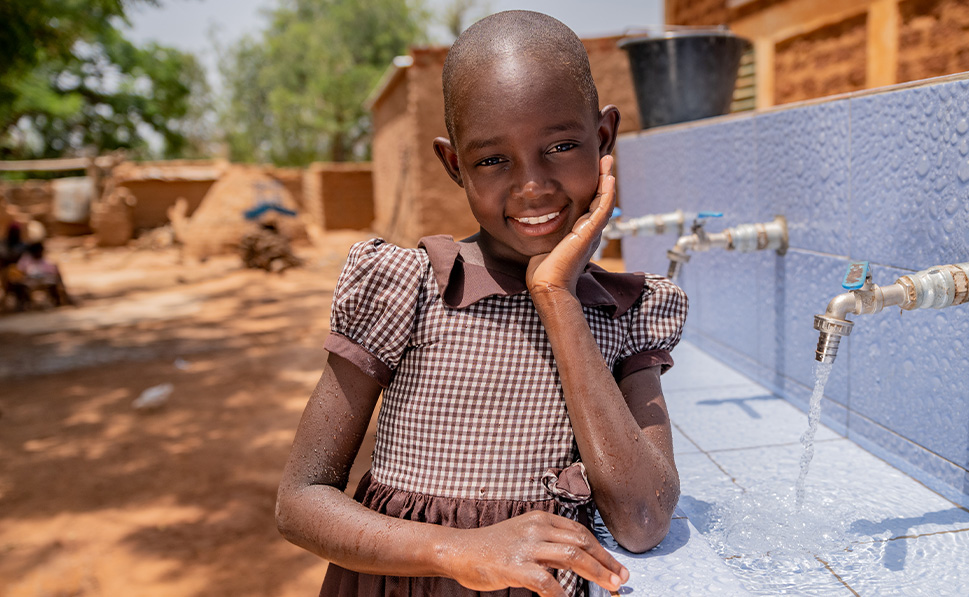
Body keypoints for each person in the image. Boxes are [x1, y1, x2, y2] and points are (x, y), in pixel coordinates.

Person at [276, 10, 688, 597]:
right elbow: (300, 501)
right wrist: (458, 550)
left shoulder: (625, 314)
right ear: (454, 165)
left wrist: (557, 297)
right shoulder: (411, 289)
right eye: (493, 160)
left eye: (562, 146)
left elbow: (642, 521)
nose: (532, 186)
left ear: (603, 139)